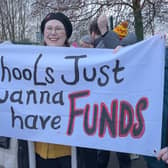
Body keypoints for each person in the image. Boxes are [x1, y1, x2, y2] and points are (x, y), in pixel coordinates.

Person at [89, 14, 138, 168]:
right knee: (119, 151)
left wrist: (104, 32)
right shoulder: (114, 43)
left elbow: (131, 39)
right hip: (118, 107)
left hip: (107, 108)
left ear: (92, 33)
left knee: (104, 153)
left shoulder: (104, 45)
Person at [35, 12, 73, 168]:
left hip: (71, 149)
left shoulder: (84, 61)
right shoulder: (29, 61)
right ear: (43, 33)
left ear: (67, 34)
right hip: (38, 147)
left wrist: (120, 55)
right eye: (49, 28)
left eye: (58, 28)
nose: (53, 33)